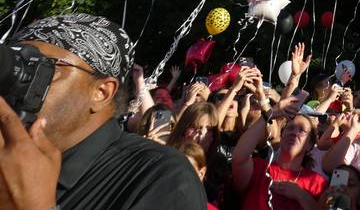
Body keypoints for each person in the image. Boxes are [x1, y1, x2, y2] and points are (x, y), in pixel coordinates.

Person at [0, 13, 206, 209]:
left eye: (41, 68)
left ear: (101, 92)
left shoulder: (161, 177)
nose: (17, 84)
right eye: (14, 69)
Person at [232, 100, 327, 210]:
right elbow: (238, 159)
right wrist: (268, 115)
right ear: (281, 137)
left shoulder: (317, 183)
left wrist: (301, 195)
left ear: (310, 144)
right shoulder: (260, 169)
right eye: (290, 128)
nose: (294, 133)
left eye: (302, 131)